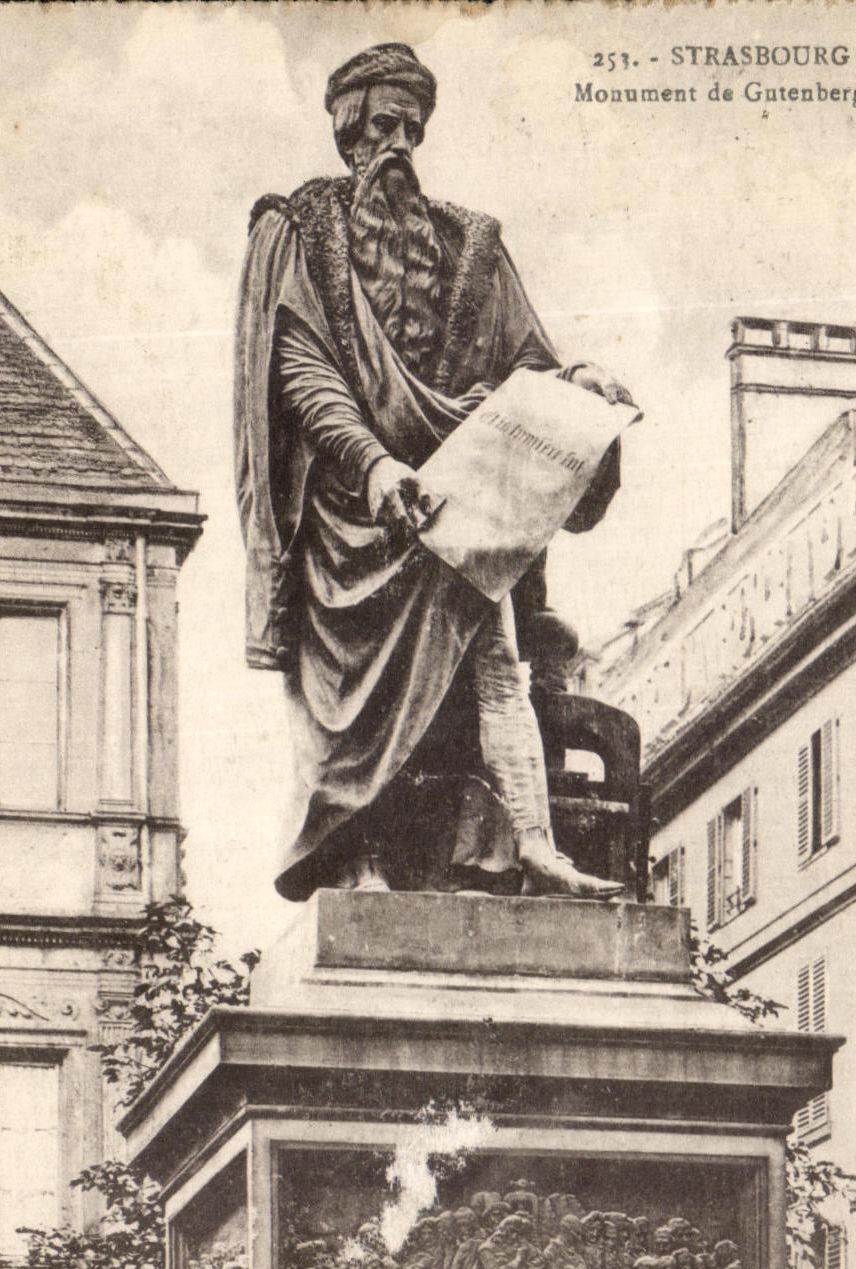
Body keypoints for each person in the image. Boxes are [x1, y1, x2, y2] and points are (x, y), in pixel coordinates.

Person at [235, 42, 634, 900]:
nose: (400, 146)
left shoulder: (469, 243)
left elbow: (528, 365)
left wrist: (578, 383)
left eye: (413, 129)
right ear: (349, 132)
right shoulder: (298, 228)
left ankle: (524, 843)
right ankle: (359, 861)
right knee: (353, 705)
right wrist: (374, 464)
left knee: (496, 664)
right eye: (384, 126)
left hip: (458, 501)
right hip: (351, 510)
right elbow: (301, 369)